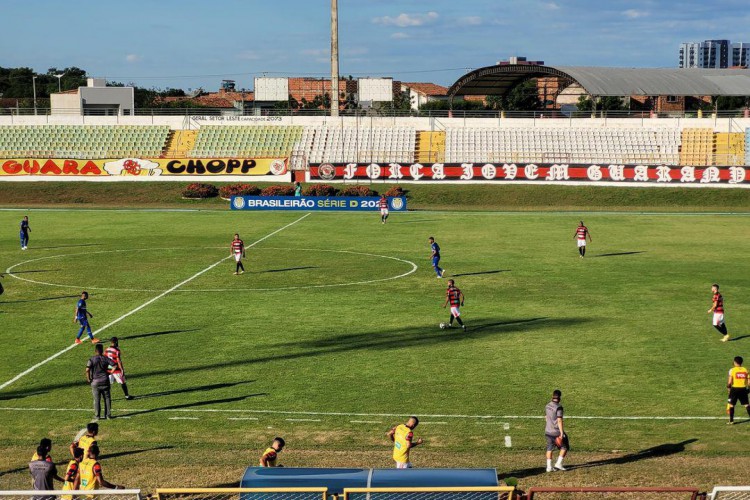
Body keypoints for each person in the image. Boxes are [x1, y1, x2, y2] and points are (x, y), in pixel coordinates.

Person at [545, 389, 569, 472]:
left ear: (552, 396)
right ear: (560, 397)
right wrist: (561, 433)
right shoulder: (559, 407)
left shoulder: (547, 405)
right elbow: (559, 420)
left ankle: (548, 467)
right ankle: (558, 464)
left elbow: (546, 417)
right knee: (564, 447)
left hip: (548, 431)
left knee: (549, 448)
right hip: (556, 432)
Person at [86, 345, 112, 420]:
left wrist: (88, 379)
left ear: (95, 351)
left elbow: (87, 370)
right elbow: (114, 365)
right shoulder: (106, 358)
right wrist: (109, 372)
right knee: (107, 398)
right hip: (105, 381)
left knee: (97, 399)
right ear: (102, 351)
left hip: (95, 382)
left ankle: (97, 416)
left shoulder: (91, 359)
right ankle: (108, 415)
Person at [726, 356, 750, 425]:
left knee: (731, 404)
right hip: (743, 389)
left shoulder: (732, 370)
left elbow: (729, 382)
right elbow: (749, 382)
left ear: (735, 362)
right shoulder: (745, 370)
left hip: (734, 389)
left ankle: (731, 421)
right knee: (746, 405)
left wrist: (728, 389)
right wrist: (748, 389)